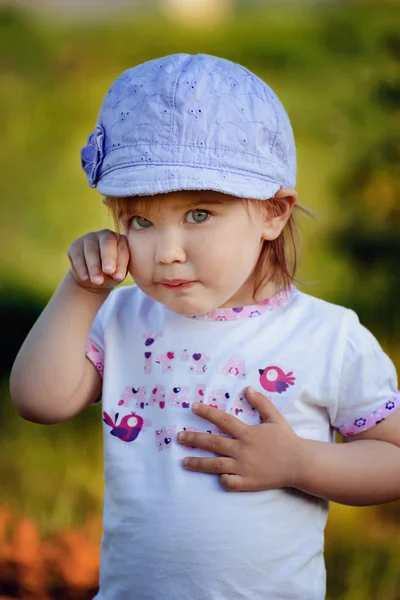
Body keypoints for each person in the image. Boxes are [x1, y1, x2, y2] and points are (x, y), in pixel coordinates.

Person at [10, 53, 400, 600]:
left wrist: (302, 463)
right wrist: (82, 290)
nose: (167, 253)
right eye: (140, 221)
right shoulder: (120, 317)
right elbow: (38, 400)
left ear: (273, 212)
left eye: (199, 215)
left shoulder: (327, 337)